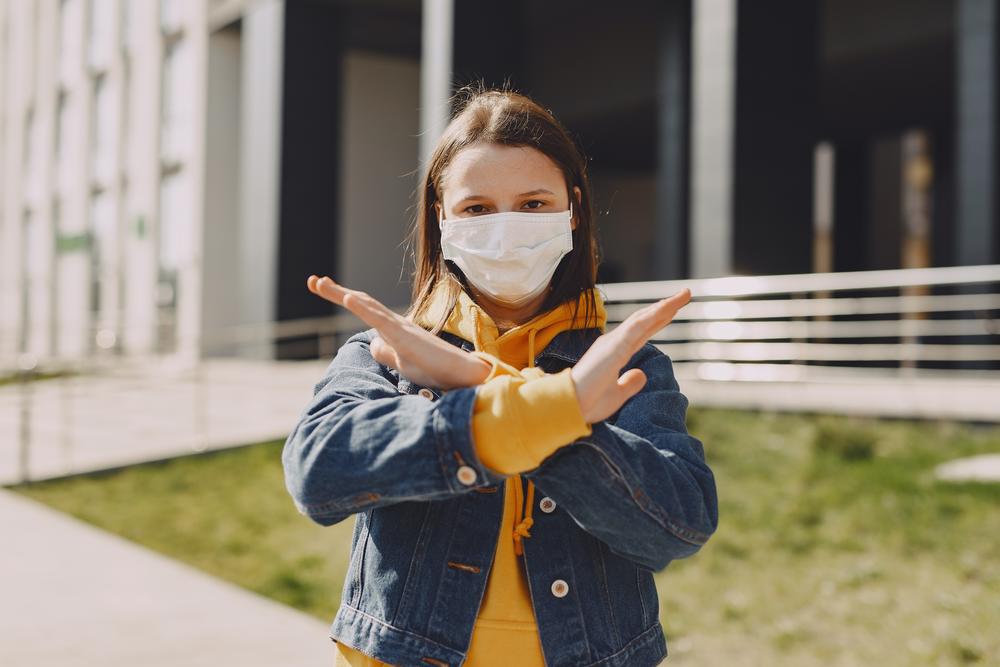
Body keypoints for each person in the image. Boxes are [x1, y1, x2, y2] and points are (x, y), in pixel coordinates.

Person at [281, 83, 719, 667]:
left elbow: (678, 525)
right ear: (442, 220)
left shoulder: (630, 366)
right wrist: (555, 410)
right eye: (477, 209)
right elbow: (318, 475)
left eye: (534, 204)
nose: (505, 227)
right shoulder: (386, 351)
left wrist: (476, 384)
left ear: (573, 209)